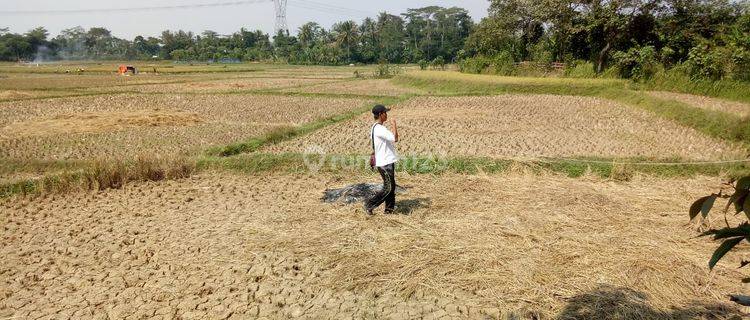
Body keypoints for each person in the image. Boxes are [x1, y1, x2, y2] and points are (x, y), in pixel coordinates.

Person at [365, 104, 399, 215]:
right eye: (385, 112)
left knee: (391, 187)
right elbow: (395, 138)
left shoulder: (374, 128)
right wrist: (394, 124)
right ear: (381, 114)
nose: (387, 114)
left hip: (385, 161)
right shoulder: (380, 129)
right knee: (388, 188)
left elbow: (376, 145)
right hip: (385, 163)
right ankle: (370, 204)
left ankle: (389, 211)